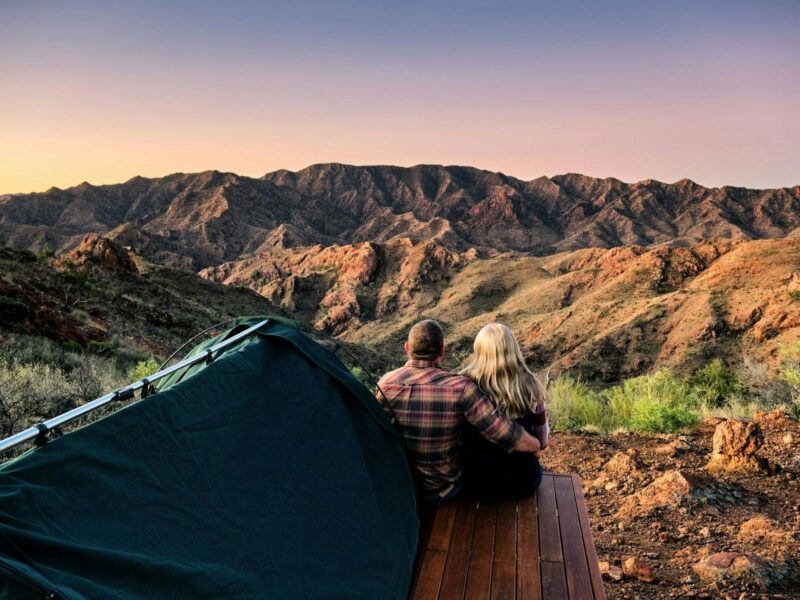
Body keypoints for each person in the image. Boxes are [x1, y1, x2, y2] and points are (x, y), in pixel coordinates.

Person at [377, 319, 542, 502]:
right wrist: (535, 446)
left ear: (407, 347)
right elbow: (502, 432)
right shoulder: (460, 388)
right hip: (444, 489)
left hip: (402, 486)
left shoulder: (385, 383)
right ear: (442, 350)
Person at [459, 323, 549, 500]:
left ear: (479, 351)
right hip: (522, 481)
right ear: (513, 349)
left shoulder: (464, 384)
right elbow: (542, 441)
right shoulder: (532, 387)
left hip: (473, 481)